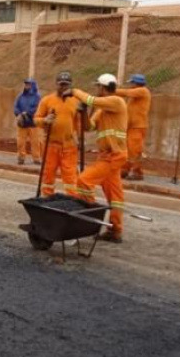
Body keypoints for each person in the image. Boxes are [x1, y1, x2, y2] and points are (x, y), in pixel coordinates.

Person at [69, 73, 129, 243]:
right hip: (107, 155)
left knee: (84, 181)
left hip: (114, 156)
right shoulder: (103, 109)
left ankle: (90, 218)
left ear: (103, 88)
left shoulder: (116, 102)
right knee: (115, 197)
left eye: (98, 87)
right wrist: (84, 114)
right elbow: (89, 127)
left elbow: (91, 100)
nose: (97, 90)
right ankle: (115, 231)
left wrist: (74, 91)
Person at [34, 72, 82, 197]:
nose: (63, 87)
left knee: (71, 177)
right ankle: (47, 199)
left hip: (69, 146)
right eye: (61, 84)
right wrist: (45, 120)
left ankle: (73, 200)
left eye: (66, 85)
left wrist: (80, 140)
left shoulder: (76, 101)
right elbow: (36, 119)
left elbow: (78, 123)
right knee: (48, 175)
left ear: (70, 85)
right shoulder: (47, 100)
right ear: (56, 84)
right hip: (50, 145)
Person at [116, 74, 152, 181]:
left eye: (132, 83)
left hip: (138, 127)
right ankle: (124, 170)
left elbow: (127, 93)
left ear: (136, 83)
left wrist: (112, 90)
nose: (130, 85)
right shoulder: (135, 96)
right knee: (126, 150)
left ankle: (137, 172)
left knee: (135, 151)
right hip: (131, 127)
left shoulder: (142, 91)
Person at [14, 78, 41, 165]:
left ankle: (36, 158)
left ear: (32, 85)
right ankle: (21, 157)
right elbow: (16, 106)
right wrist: (18, 114)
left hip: (33, 122)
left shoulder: (37, 97)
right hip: (22, 123)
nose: (26, 86)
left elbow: (38, 107)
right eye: (26, 84)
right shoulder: (20, 96)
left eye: (28, 84)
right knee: (20, 142)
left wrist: (28, 112)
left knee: (35, 142)